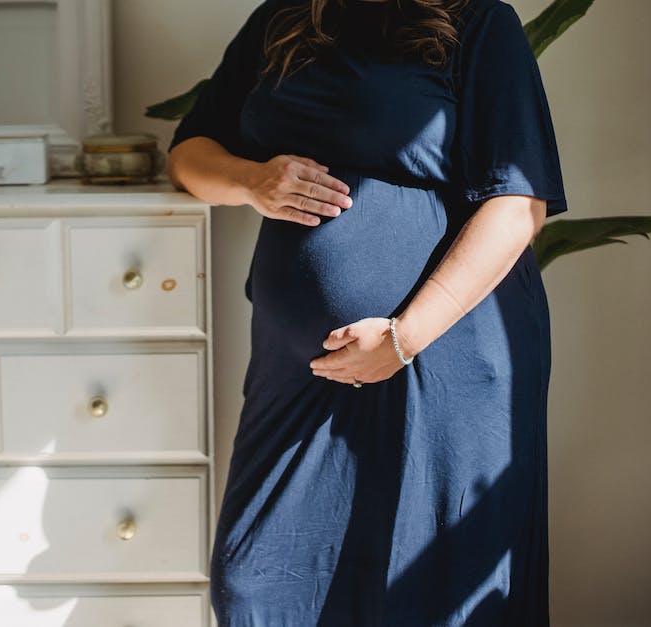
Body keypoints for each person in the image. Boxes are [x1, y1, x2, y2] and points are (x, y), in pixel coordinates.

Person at [168, 0, 567, 624]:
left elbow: (518, 203)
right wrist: (251, 181)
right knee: (254, 583)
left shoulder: (479, 20)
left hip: (442, 358)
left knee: (434, 594)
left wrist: (404, 338)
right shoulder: (284, 17)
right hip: (298, 368)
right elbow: (190, 152)